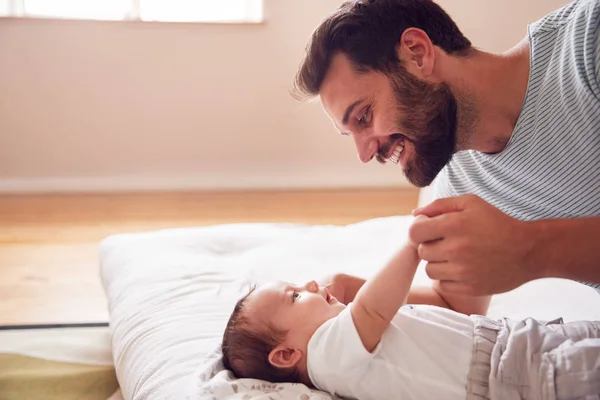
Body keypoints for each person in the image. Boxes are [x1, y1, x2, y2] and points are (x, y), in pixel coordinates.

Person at [292, 0, 600, 298]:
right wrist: (352, 291)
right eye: (351, 134)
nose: (365, 153)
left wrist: (533, 250)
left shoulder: (587, 40)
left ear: (417, 54)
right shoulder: (459, 184)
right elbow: (453, 304)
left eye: (363, 117)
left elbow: (526, 251)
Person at [221, 216, 600, 400]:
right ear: (287, 354)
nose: (310, 285)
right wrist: (411, 247)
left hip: (514, 341)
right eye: (294, 296)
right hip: (513, 378)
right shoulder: (326, 357)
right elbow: (372, 308)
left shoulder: (351, 343)